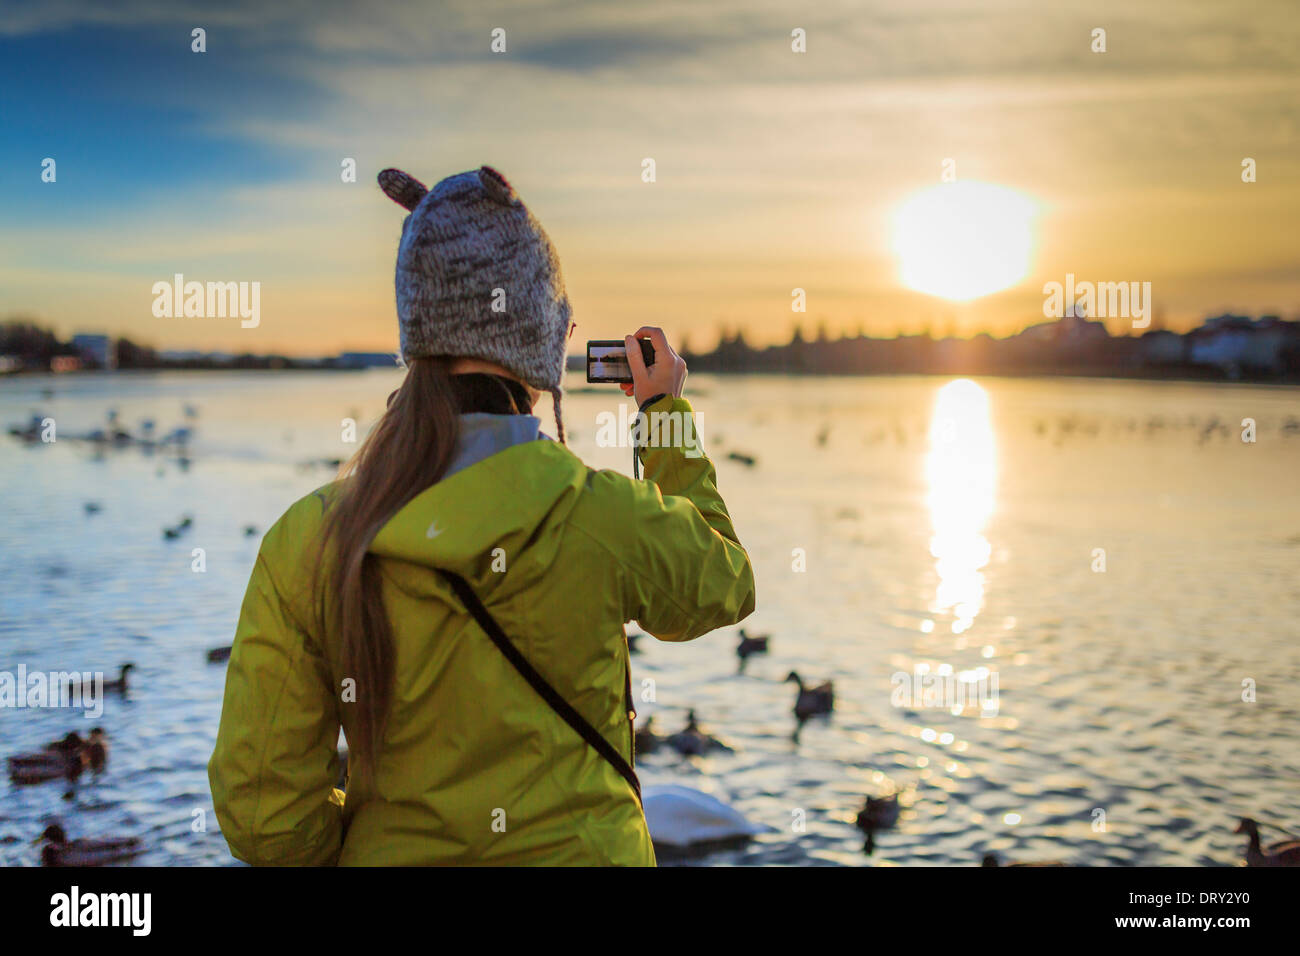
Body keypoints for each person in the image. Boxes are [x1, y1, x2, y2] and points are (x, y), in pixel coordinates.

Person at [208, 165, 756, 865]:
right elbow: (725, 580)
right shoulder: (600, 519)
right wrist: (663, 416)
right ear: (541, 341)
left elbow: (265, 821)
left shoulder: (311, 543)